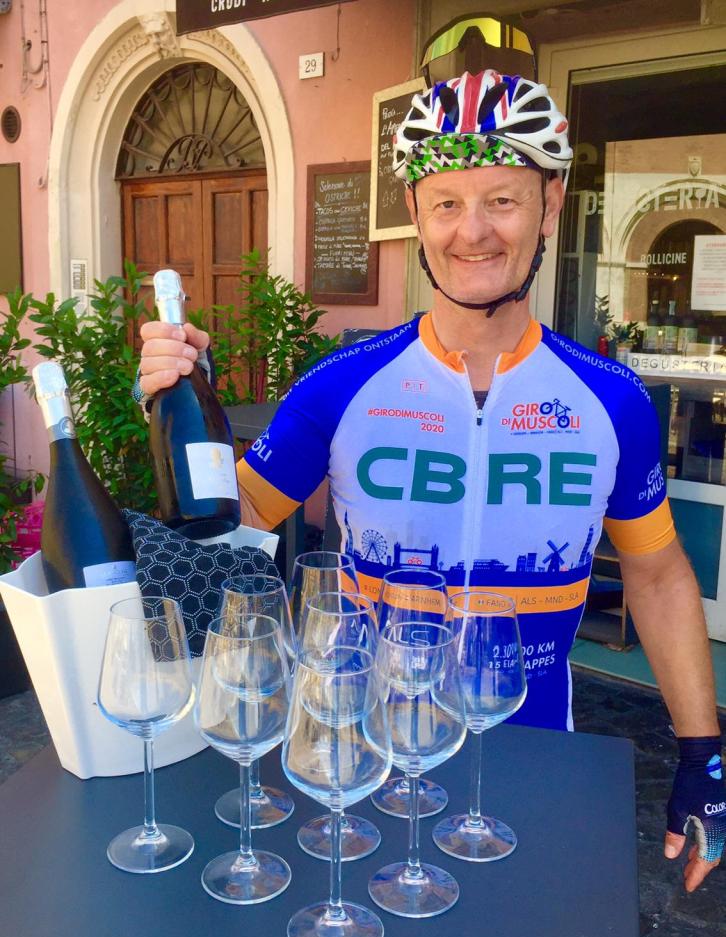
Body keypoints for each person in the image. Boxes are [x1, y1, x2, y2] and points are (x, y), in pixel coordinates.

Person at [137, 70, 724, 891]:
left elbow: (658, 576)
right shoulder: (342, 384)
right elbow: (218, 537)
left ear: (551, 206)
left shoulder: (610, 399)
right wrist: (173, 411)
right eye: (446, 202)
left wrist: (703, 756)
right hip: (360, 765)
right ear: (416, 214)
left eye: (502, 200)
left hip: (531, 760)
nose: (472, 231)